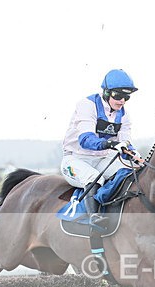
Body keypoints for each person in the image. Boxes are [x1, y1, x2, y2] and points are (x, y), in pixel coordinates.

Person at [60, 68, 140, 223]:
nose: (122, 101)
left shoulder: (124, 115)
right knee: (94, 178)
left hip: (102, 159)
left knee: (131, 173)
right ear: (106, 93)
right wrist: (110, 143)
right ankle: (94, 218)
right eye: (118, 95)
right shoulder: (87, 105)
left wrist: (133, 154)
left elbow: (125, 143)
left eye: (126, 97)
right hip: (76, 159)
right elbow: (86, 139)